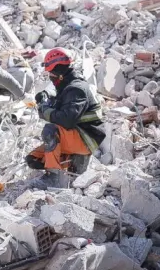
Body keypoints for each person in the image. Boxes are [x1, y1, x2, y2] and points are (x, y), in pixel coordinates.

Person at [25, 48, 105, 183]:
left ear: (59, 73)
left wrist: (45, 111)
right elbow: (62, 98)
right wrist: (47, 95)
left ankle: (55, 178)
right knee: (33, 159)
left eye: (51, 73)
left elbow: (67, 120)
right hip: (77, 134)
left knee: (51, 130)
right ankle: (69, 165)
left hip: (86, 139)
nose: (50, 76)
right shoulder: (69, 84)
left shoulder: (76, 89)